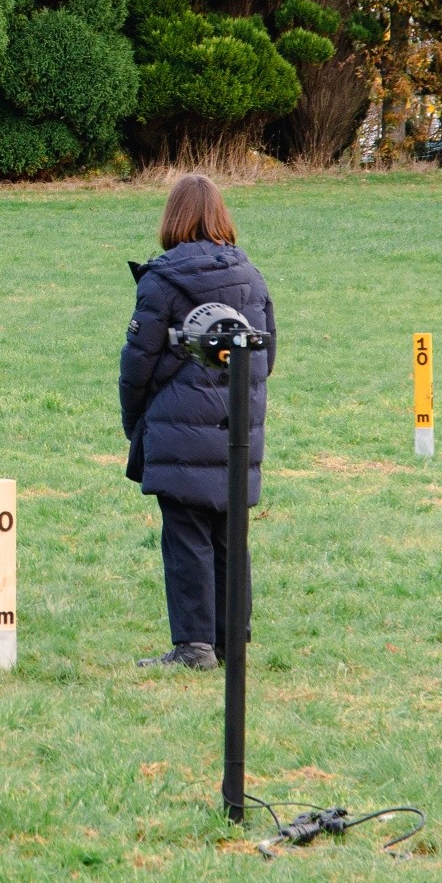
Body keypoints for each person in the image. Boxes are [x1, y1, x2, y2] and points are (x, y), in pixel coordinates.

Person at [119, 173, 273, 672]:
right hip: (236, 427)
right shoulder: (251, 276)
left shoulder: (162, 281)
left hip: (177, 426)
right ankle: (231, 642)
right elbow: (265, 355)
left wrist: (135, 422)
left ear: (173, 218)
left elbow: (136, 363)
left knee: (186, 535)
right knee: (231, 535)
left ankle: (194, 647)